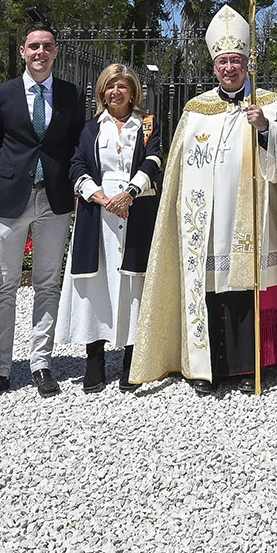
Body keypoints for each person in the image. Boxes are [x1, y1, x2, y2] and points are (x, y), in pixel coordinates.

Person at [131, 6, 277, 392]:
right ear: (214, 67)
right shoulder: (196, 111)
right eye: (223, 61)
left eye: (236, 61)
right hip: (206, 221)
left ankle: (249, 367)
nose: (229, 68)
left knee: (248, 289)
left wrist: (266, 129)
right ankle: (207, 367)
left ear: (247, 64)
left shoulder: (269, 102)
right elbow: (179, 168)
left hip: (255, 219)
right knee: (209, 288)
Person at [0, 26, 84, 401]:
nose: (40, 52)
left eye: (47, 46)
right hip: (10, 199)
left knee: (48, 283)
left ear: (56, 52)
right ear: (22, 51)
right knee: (3, 286)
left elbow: (72, 144)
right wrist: (12, 174)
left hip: (53, 199)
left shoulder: (70, 94)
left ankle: (41, 363)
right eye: (34, 46)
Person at [57, 63, 162, 393]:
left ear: (133, 91)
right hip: (97, 215)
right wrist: (99, 196)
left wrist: (129, 193)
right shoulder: (91, 127)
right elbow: (77, 164)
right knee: (97, 285)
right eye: (110, 86)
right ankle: (95, 360)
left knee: (132, 286)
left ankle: (132, 360)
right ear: (102, 92)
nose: (116, 92)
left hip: (136, 209)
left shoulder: (147, 125)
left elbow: (155, 158)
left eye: (123, 86)